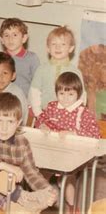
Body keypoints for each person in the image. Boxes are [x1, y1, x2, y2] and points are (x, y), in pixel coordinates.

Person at [0, 92, 58, 212]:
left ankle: (22, 199)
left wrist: (47, 190)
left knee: (30, 208)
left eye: (10, 122)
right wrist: (6, 166)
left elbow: (31, 173)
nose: (4, 128)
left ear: (18, 123)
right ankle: (21, 196)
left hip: (9, 196)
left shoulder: (22, 143)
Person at [35, 71, 100, 208]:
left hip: (71, 157)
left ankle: (72, 207)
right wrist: (43, 125)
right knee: (40, 176)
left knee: (67, 181)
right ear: (56, 93)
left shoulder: (83, 112)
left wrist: (75, 133)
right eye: (61, 94)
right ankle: (36, 201)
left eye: (70, 94)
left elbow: (95, 134)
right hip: (51, 151)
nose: (65, 98)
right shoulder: (52, 106)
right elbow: (41, 118)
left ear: (78, 94)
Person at [29, 26, 85, 117]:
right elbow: (34, 92)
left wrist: (76, 114)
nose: (58, 47)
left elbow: (81, 95)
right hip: (45, 113)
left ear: (71, 48)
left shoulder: (75, 71)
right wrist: (38, 113)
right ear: (48, 48)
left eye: (63, 44)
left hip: (69, 116)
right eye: (54, 44)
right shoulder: (41, 69)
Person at [0, 18, 39, 97]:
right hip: (3, 103)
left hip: (25, 103)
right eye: (6, 35)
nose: (10, 39)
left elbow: (38, 84)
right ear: (2, 40)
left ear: (24, 38)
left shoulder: (32, 58)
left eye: (15, 35)